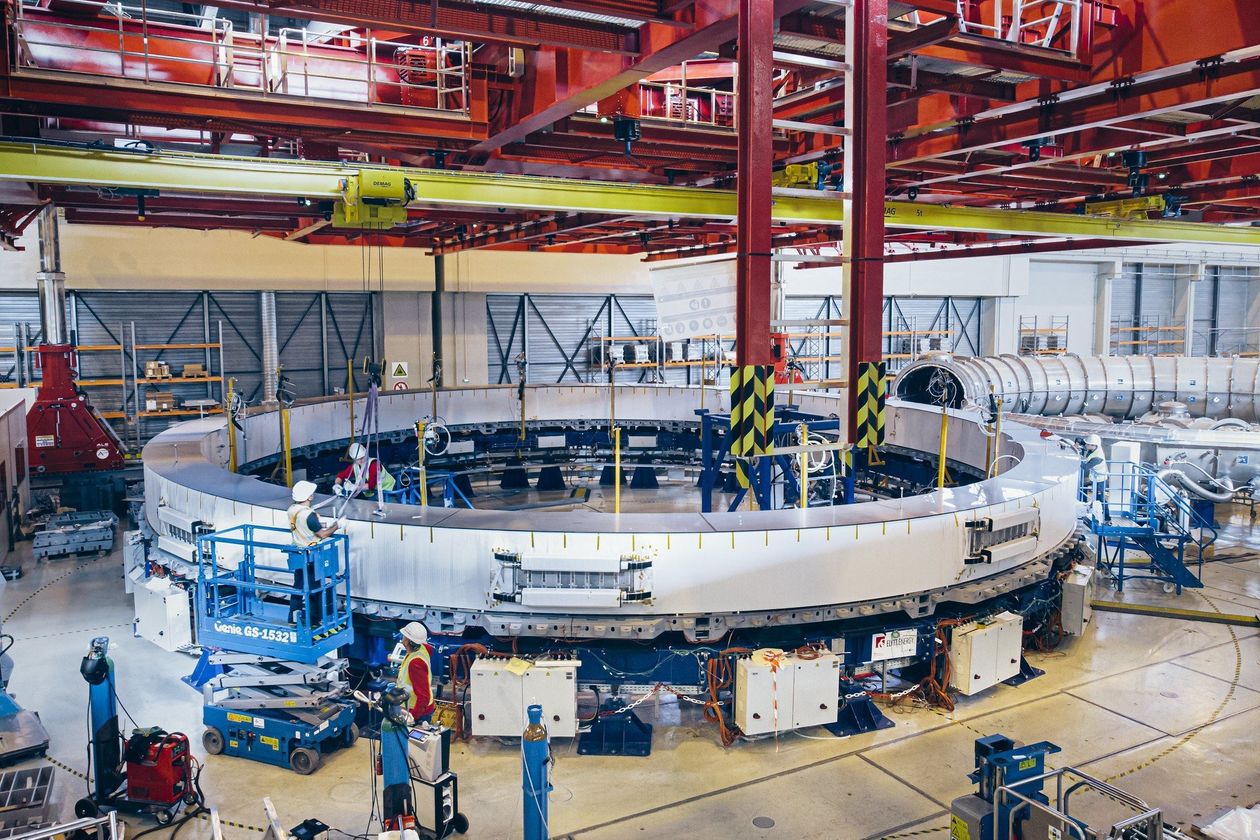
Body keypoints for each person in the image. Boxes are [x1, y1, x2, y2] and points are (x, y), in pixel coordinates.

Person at [287, 480, 345, 625]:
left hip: (297, 553)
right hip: (311, 555)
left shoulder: (292, 510)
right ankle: (316, 619)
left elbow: (305, 527)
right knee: (315, 588)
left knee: (298, 586)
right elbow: (322, 535)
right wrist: (337, 525)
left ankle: (292, 619)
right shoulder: (309, 515)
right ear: (309, 497)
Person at [396, 621, 436, 724]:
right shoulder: (422, 649)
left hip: (418, 712)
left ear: (408, 641)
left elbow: (423, 697)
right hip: (415, 708)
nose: (403, 638)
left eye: (404, 636)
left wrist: (412, 717)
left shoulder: (415, 664)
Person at [335, 443, 389, 517]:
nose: (361, 460)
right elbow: (341, 476)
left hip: (387, 490)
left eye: (362, 457)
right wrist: (337, 485)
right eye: (357, 459)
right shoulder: (355, 467)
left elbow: (371, 485)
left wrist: (353, 487)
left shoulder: (374, 465)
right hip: (372, 493)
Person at [1081, 434, 1111, 523]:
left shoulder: (1097, 458)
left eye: (1087, 444)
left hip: (1100, 480)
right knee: (1083, 486)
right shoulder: (1095, 447)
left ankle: (1107, 517)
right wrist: (1078, 442)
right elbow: (1083, 442)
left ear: (1093, 445)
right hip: (1095, 478)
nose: (1085, 445)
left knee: (1101, 498)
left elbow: (1086, 467)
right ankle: (1084, 507)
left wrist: (1076, 459)